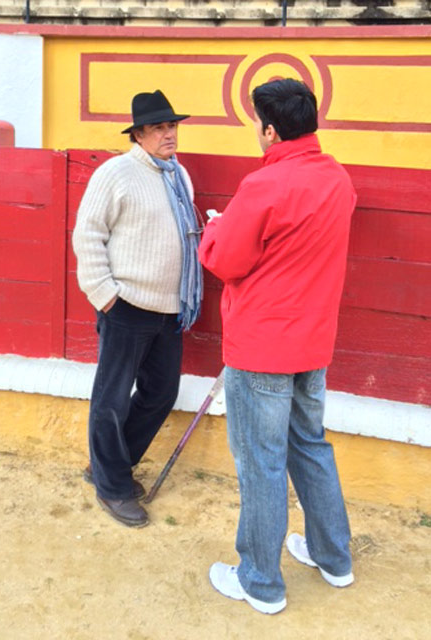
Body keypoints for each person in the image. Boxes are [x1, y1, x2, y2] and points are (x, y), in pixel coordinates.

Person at [198, 79, 357, 614]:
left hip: (262, 345)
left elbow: (224, 260)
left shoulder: (263, 186)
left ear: (269, 130)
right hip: (313, 342)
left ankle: (260, 581)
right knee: (311, 446)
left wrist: (215, 231)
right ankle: (333, 556)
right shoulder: (337, 179)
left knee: (261, 463)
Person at [73, 90, 203, 527]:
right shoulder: (116, 172)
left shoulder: (179, 176)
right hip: (126, 303)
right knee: (110, 399)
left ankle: (109, 465)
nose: (170, 134)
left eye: (173, 126)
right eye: (160, 128)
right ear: (140, 134)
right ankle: (112, 485)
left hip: (170, 307)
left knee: (161, 392)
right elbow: (87, 233)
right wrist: (104, 293)